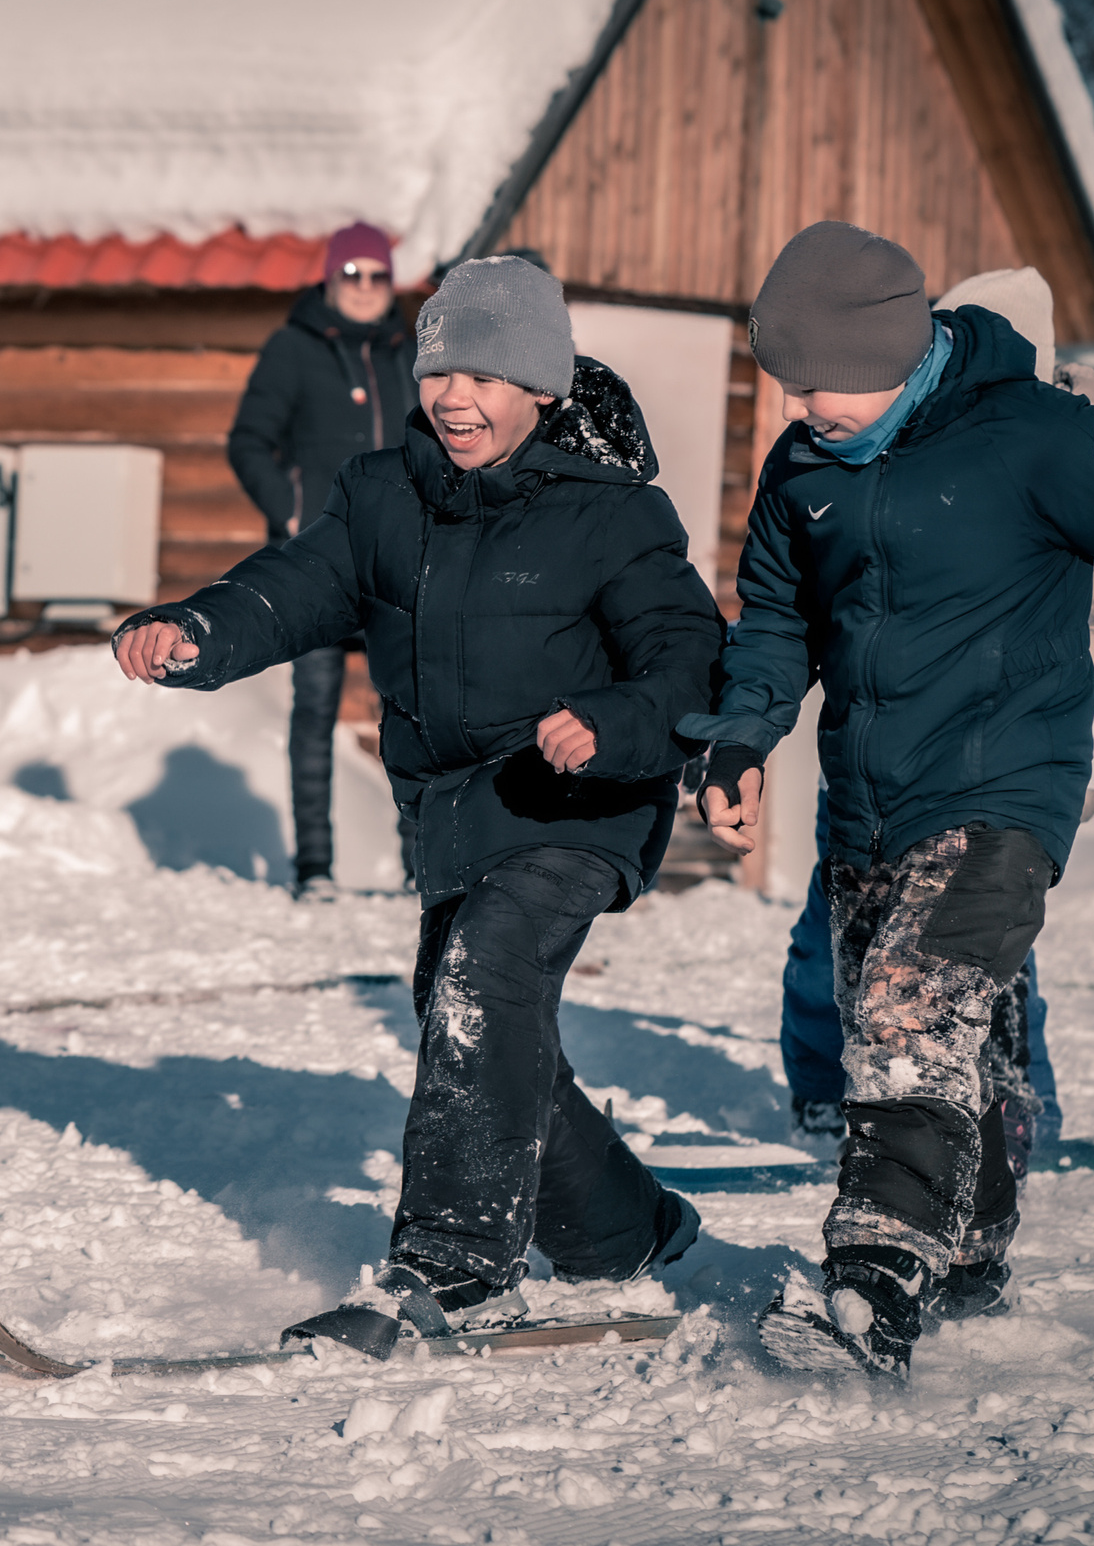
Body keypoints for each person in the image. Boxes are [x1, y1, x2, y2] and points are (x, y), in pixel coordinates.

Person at [685, 221, 1094, 1379]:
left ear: (889, 350)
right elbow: (779, 626)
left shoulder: (1037, 436)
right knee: (948, 1033)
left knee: (907, 1007)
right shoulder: (802, 474)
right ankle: (971, 1245)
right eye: (786, 382)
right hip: (868, 801)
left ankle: (872, 1279)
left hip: (1004, 782)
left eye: (818, 380)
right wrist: (740, 738)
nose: (801, 404)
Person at [114, 257, 724, 1356]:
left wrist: (610, 719)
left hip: (581, 798)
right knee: (468, 1017)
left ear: (542, 387)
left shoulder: (613, 513)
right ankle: (619, 1228)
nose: (454, 395)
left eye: (487, 374)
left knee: (482, 981)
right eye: (440, 367)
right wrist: (201, 628)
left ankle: (452, 1267)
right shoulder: (381, 493)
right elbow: (294, 588)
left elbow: (685, 658)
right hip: (454, 810)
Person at [777, 270, 1094, 1175]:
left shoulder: (1067, 452)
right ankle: (828, 1085)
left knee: (981, 943)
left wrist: (1055, 671)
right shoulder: (898, 436)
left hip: (1005, 753)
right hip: (879, 744)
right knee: (833, 926)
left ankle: (1003, 1112)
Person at [225, 221, 418, 897]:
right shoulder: (293, 348)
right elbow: (249, 442)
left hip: (396, 564)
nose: (364, 289)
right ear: (331, 279)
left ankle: (418, 865)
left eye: (377, 276)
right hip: (317, 566)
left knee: (410, 708)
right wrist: (294, 514)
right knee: (314, 709)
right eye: (352, 275)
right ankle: (315, 866)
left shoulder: (411, 351)